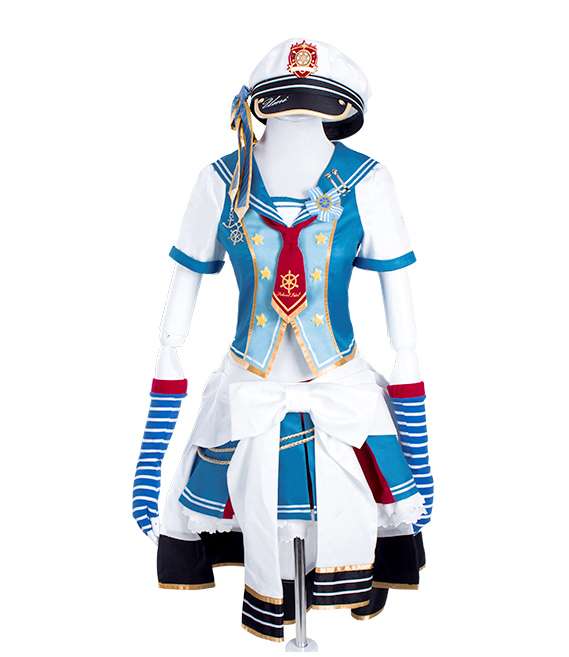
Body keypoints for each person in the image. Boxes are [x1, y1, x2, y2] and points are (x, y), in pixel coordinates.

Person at [132, 38, 434, 643]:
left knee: (349, 505)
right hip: (250, 382)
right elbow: (185, 283)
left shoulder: (369, 180)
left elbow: (398, 292)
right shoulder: (220, 180)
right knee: (250, 501)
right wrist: (168, 362)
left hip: (339, 384)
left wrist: (408, 379)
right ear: (259, 106)